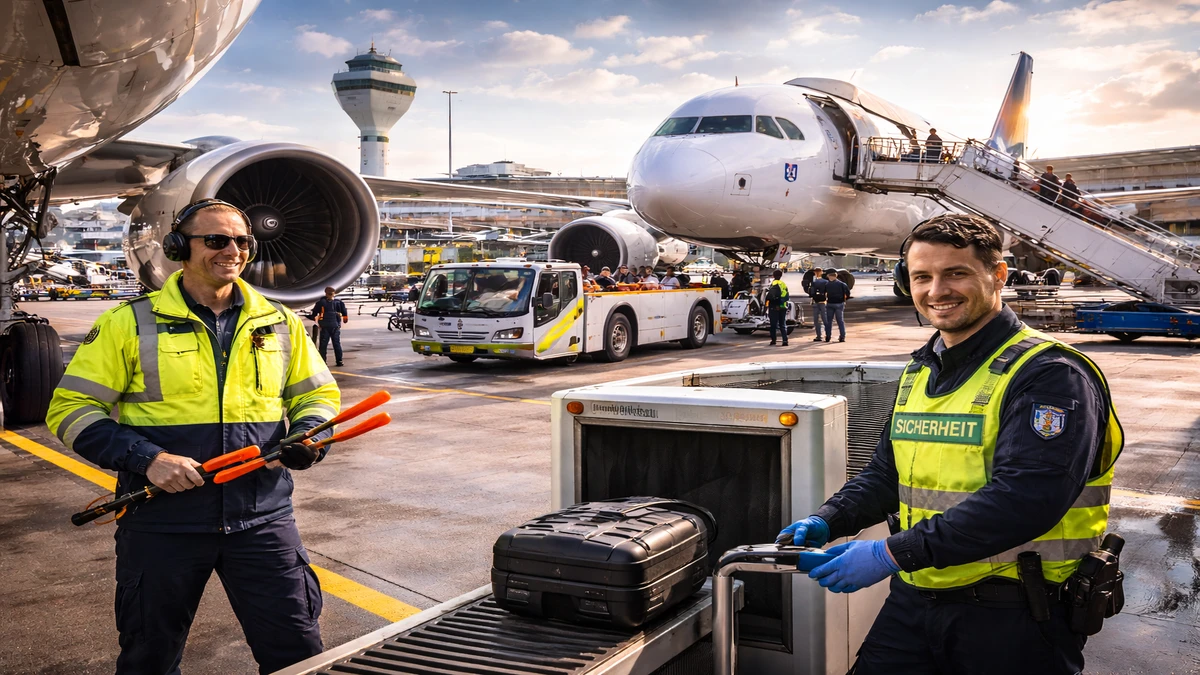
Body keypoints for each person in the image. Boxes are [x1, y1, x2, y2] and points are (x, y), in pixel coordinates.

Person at [777, 214, 1121, 674]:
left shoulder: (1050, 375)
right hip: (916, 598)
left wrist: (888, 553)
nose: (937, 290)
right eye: (922, 276)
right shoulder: (920, 370)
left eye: (955, 273)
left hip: (1016, 616)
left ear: (998, 275)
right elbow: (887, 473)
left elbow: (1025, 499)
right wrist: (829, 518)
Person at [46, 198, 340, 674]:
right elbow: (71, 409)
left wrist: (309, 435)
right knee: (149, 659)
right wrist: (147, 458)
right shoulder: (128, 324)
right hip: (163, 522)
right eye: (217, 240)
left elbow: (318, 395)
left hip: (261, 521)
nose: (234, 250)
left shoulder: (278, 321)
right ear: (180, 246)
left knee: (299, 654)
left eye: (243, 241)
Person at [311, 286, 348, 366]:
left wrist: (313, 318)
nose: (330, 295)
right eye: (329, 294)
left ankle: (330, 361)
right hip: (330, 327)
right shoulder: (332, 303)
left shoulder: (322, 303)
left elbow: (314, 313)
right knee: (332, 344)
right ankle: (337, 361)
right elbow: (344, 312)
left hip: (330, 327)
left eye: (331, 294)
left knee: (328, 345)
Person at [822, 269, 850, 342]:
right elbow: (848, 293)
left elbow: (824, 294)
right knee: (840, 321)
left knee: (829, 321)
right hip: (839, 304)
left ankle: (828, 336)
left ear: (829, 276)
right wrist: (844, 300)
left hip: (830, 303)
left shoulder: (827, 284)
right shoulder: (842, 284)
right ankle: (842, 336)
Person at [764, 269, 790, 346]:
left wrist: (767, 303)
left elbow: (771, 296)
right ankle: (785, 340)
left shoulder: (774, 283)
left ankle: (773, 340)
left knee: (773, 325)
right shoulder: (783, 284)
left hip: (775, 307)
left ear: (773, 276)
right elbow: (787, 296)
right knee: (782, 324)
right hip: (783, 306)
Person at [808, 267, 829, 342]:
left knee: (816, 320)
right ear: (822, 272)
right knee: (825, 319)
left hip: (816, 302)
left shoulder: (813, 282)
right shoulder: (826, 282)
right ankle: (827, 335)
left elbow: (811, 293)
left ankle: (819, 336)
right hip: (823, 302)